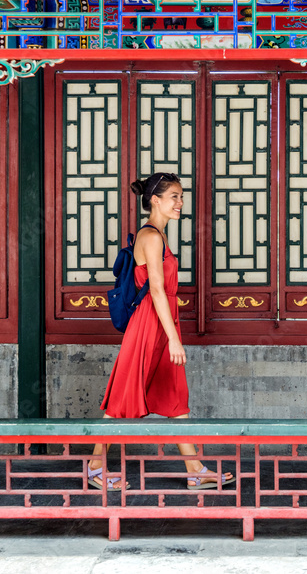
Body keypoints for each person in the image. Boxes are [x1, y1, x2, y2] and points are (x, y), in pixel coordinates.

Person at [88, 172, 234, 492]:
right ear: (155, 200)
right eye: (174, 197)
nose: (180, 203)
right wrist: (174, 339)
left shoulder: (159, 235)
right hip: (150, 324)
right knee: (123, 398)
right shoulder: (152, 237)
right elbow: (156, 290)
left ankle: (195, 469)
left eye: (181, 197)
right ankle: (96, 467)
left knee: (174, 395)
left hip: (162, 321)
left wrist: (171, 335)